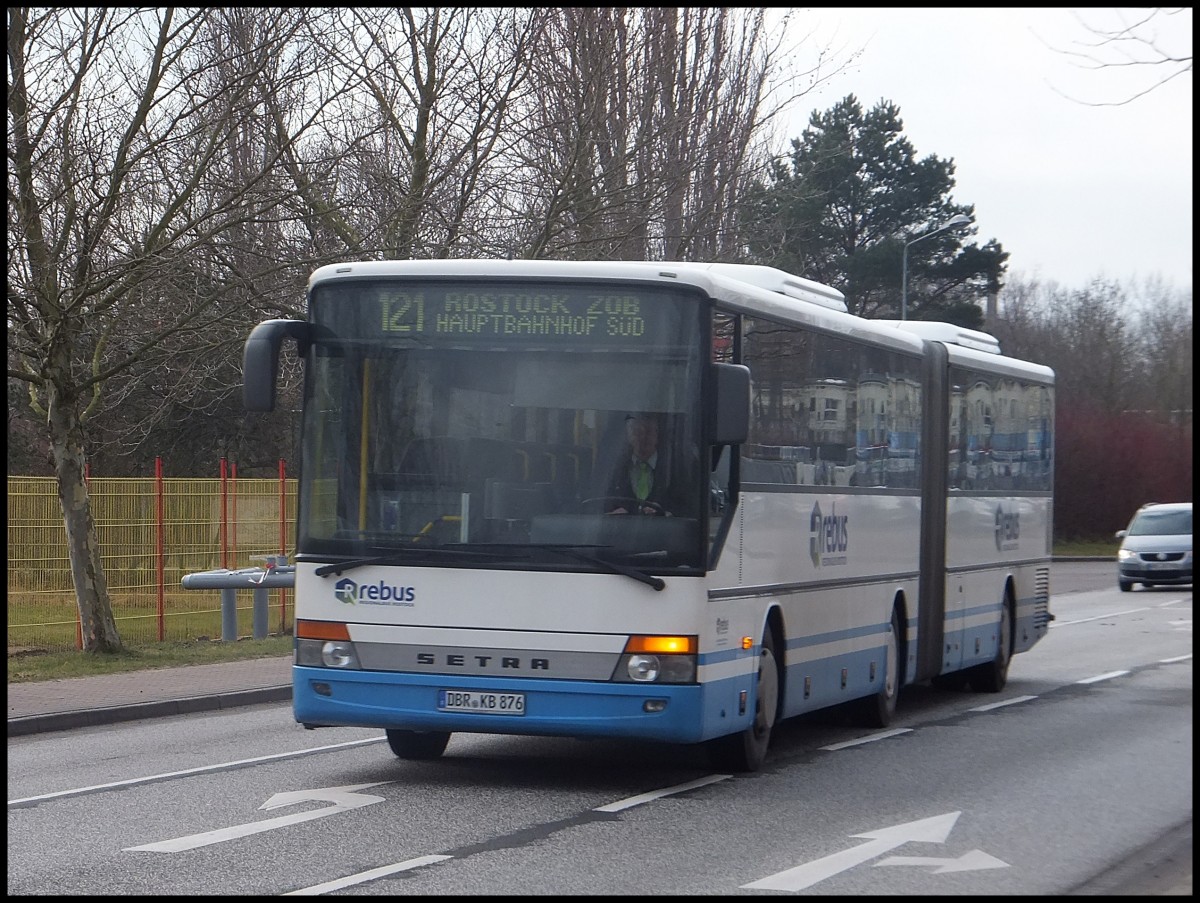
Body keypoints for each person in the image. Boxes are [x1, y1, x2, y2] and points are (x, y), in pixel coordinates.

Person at [601, 412, 688, 515]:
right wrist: (615, 512)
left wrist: (665, 512)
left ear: (657, 435)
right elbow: (602, 502)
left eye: (648, 432)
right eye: (637, 432)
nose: (642, 438)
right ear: (628, 436)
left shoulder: (675, 469)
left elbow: (687, 506)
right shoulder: (614, 469)